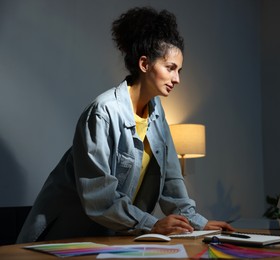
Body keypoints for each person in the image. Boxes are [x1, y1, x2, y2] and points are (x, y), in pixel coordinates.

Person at [16, 6, 233, 243]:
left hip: (107, 238)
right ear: (144, 64)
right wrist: (154, 225)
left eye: (179, 70)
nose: (177, 79)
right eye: (170, 68)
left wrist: (198, 222)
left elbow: (171, 180)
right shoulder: (103, 112)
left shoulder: (157, 113)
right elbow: (100, 198)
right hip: (63, 238)